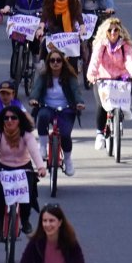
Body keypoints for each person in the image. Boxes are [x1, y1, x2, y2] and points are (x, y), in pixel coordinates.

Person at [0, 104, 45, 241]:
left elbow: (34, 151)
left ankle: (26, 221)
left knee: (27, 194)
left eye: (13, 118)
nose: (9, 121)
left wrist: (40, 167)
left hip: (23, 167)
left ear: (20, 120)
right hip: (2, 167)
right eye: (6, 118)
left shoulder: (26, 134)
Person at [86, 17, 132, 150]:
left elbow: (130, 60)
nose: (113, 33)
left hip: (120, 78)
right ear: (106, 32)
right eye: (110, 30)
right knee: (101, 105)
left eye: (116, 30)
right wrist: (91, 75)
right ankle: (99, 133)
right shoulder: (101, 46)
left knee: (128, 85)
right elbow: (95, 61)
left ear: (120, 31)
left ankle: (125, 108)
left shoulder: (125, 46)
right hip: (103, 80)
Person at [30, 48, 84, 176]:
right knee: (42, 116)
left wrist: (79, 102)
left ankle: (68, 160)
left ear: (63, 63)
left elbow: (76, 91)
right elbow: (36, 90)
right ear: (48, 63)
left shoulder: (70, 77)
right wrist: (33, 99)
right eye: (52, 60)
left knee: (65, 135)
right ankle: (42, 147)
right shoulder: (43, 77)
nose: (55, 63)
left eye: (58, 60)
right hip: (47, 107)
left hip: (66, 109)